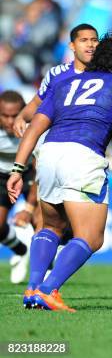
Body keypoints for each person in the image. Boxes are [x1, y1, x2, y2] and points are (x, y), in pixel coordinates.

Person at [7, 33, 112, 312]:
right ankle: (48, 289)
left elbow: (34, 127)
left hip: (49, 155)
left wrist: (17, 169)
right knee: (91, 237)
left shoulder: (66, 82)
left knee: (50, 226)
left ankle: (32, 289)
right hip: (83, 157)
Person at [0, 91, 37, 284]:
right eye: (4, 116)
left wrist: (29, 209)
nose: (9, 121)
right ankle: (21, 251)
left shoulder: (33, 127)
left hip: (31, 174)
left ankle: (44, 280)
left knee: (40, 222)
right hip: (2, 176)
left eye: (14, 115)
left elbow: (39, 169)